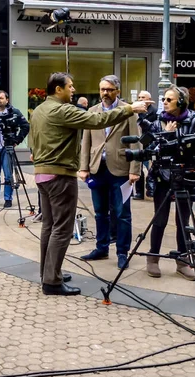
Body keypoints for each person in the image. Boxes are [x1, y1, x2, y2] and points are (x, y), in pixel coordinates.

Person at [29, 72, 151, 296]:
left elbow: (31, 140)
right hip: (59, 175)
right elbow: (96, 121)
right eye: (70, 86)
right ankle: (52, 282)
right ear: (58, 89)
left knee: (48, 226)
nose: (73, 90)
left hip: (42, 174)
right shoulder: (62, 109)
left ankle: (48, 272)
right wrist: (130, 109)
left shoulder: (39, 110)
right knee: (62, 230)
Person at [137, 85, 195, 281]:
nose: (164, 103)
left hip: (186, 177)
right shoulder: (158, 123)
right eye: (164, 99)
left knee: (183, 221)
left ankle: (182, 261)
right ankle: (153, 258)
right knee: (160, 219)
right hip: (163, 177)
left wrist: (178, 140)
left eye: (169, 100)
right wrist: (166, 135)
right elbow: (151, 150)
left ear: (181, 102)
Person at [79, 75, 141, 269]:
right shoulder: (92, 111)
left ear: (117, 91)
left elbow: (135, 140)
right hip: (97, 168)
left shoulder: (128, 111)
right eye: (102, 89)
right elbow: (86, 141)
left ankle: (122, 252)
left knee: (122, 213)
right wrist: (83, 167)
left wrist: (135, 170)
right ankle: (101, 247)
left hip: (121, 169)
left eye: (109, 89)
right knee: (99, 212)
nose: (105, 93)